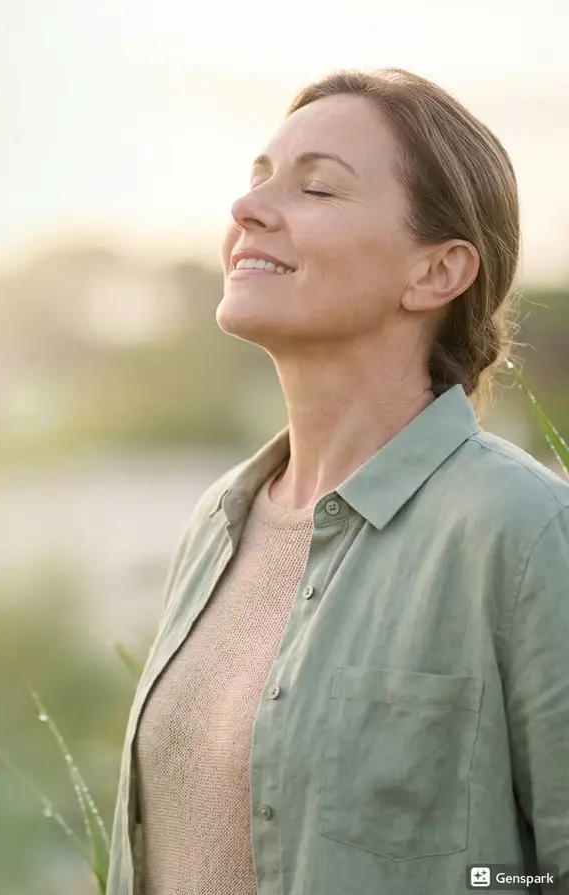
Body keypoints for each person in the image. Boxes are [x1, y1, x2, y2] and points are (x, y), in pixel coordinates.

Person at [105, 68, 569, 895]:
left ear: (436, 273)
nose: (248, 209)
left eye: (316, 187)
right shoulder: (221, 520)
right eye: (258, 178)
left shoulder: (522, 528)